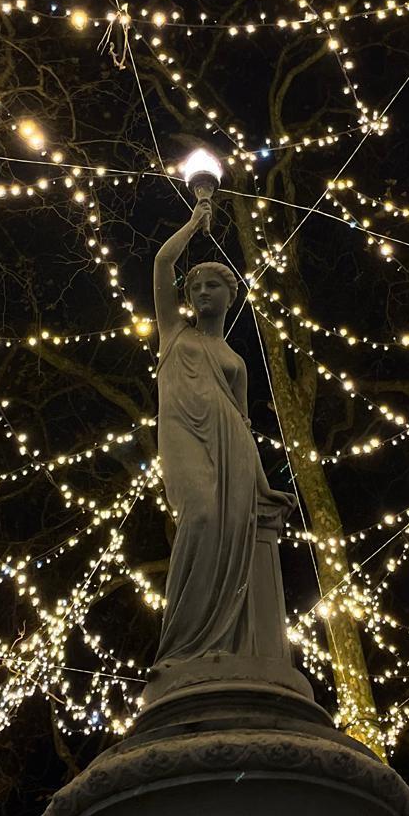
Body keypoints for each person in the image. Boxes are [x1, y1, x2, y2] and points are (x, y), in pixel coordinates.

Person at [151, 200, 296, 664]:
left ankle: (226, 640)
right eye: (197, 286)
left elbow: (242, 421)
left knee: (234, 525)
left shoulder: (235, 360)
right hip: (182, 434)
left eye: (214, 284)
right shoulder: (174, 332)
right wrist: (196, 221)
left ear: (231, 296)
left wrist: (262, 485)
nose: (204, 291)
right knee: (199, 516)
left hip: (230, 444)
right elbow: (162, 263)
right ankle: (183, 644)